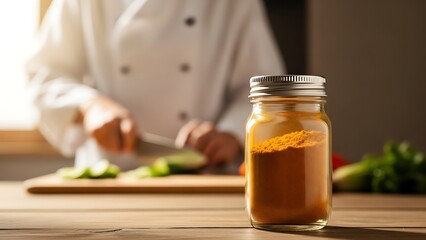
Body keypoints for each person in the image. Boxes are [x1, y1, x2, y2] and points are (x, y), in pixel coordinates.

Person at [27, 0, 285, 171]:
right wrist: (90, 107)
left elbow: (265, 89)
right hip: (110, 179)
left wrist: (231, 134)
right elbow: (45, 76)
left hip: (207, 177)